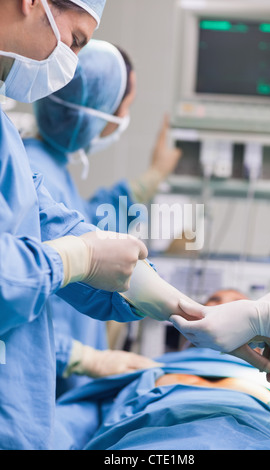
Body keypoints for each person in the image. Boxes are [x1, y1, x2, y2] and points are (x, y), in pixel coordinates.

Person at [0, 0, 153, 450]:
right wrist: (79, 259)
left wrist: (179, 307)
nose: (69, 64)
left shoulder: (7, 137)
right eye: (77, 41)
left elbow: (55, 223)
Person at [24, 39, 182, 396]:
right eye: (124, 108)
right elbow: (24, 280)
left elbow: (88, 226)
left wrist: (152, 177)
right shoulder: (29, 170)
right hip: (46, 382)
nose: (124, 119)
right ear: (97, 114)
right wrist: (82, 358)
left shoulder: (46, 167)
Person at [54, 346, 270, 450]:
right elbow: (78, 417)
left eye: (236, 302)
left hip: (246, 432)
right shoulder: (157, 365)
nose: (220, 305)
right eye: (212, 301)